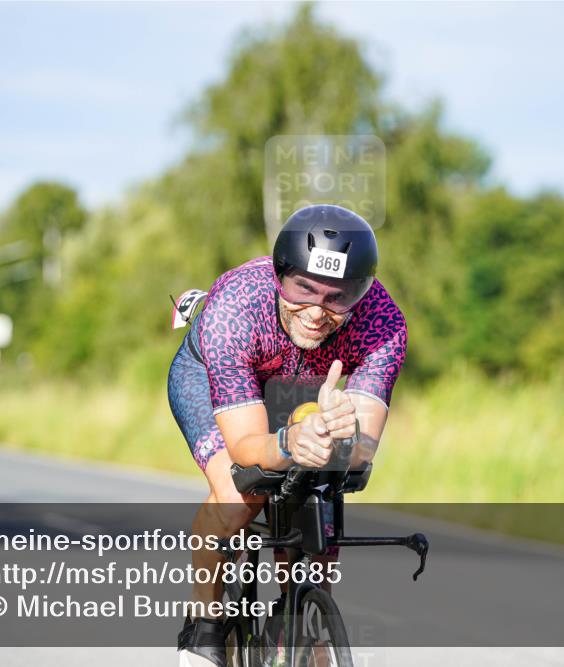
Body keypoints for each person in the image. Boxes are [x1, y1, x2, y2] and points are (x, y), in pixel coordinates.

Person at [168, 204, 407, 666]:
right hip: (213, 374)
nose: (317, 311)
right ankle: (205, 627)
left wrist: (341, 434)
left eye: (337, 297)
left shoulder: (383, 322)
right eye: (304, 289)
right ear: (282, 276)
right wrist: (288, 443)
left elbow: (361, 453)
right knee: (241, 495)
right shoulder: (234, 309)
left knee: (320, 504)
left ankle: (301, 627)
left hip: (307, 385)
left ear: (363, 292)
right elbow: (245, 451)